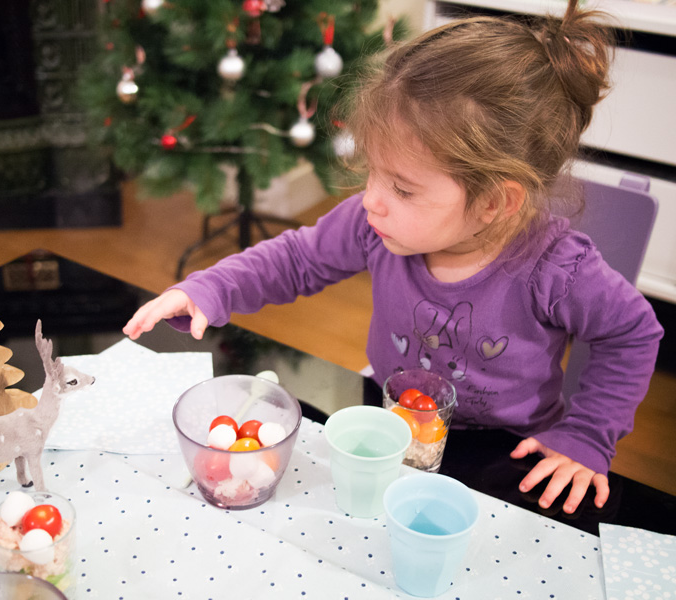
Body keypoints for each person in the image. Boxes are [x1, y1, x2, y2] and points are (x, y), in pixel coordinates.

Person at [124, 0, 663, 514]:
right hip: (392, 426)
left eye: (402, 189)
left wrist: (587, 434)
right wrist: (212, 288)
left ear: (496, 202)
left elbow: (633, 333)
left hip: (507, 453)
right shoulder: (370, 223)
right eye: (372, 171)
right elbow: (294, 260)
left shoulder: (557, 268)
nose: (371, 200)